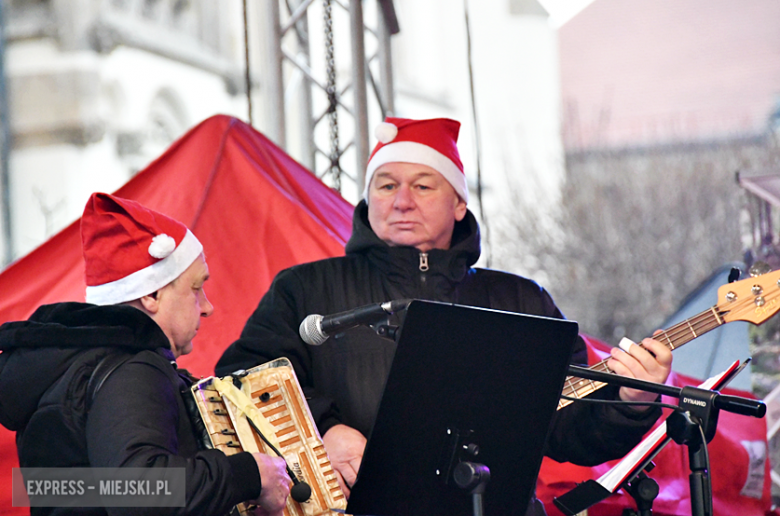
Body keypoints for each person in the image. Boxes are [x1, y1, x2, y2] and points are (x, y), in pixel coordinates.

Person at [216, 117, 672, 516]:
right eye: (387, 184)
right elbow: (242, 377)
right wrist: (324, 432)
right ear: (368, 199)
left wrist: (630, 402)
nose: (402, 200)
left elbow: (571, 434)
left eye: (423, 185)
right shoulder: (303, 289)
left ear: (459, 204)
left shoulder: (522, 299)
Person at [0, 193, 291, 516]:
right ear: (152, 294)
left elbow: (65, 489)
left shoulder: (73, 366)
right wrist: (249, 474)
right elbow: (139, 492)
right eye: (196, 288)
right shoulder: (130, 368)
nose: (207, 307)